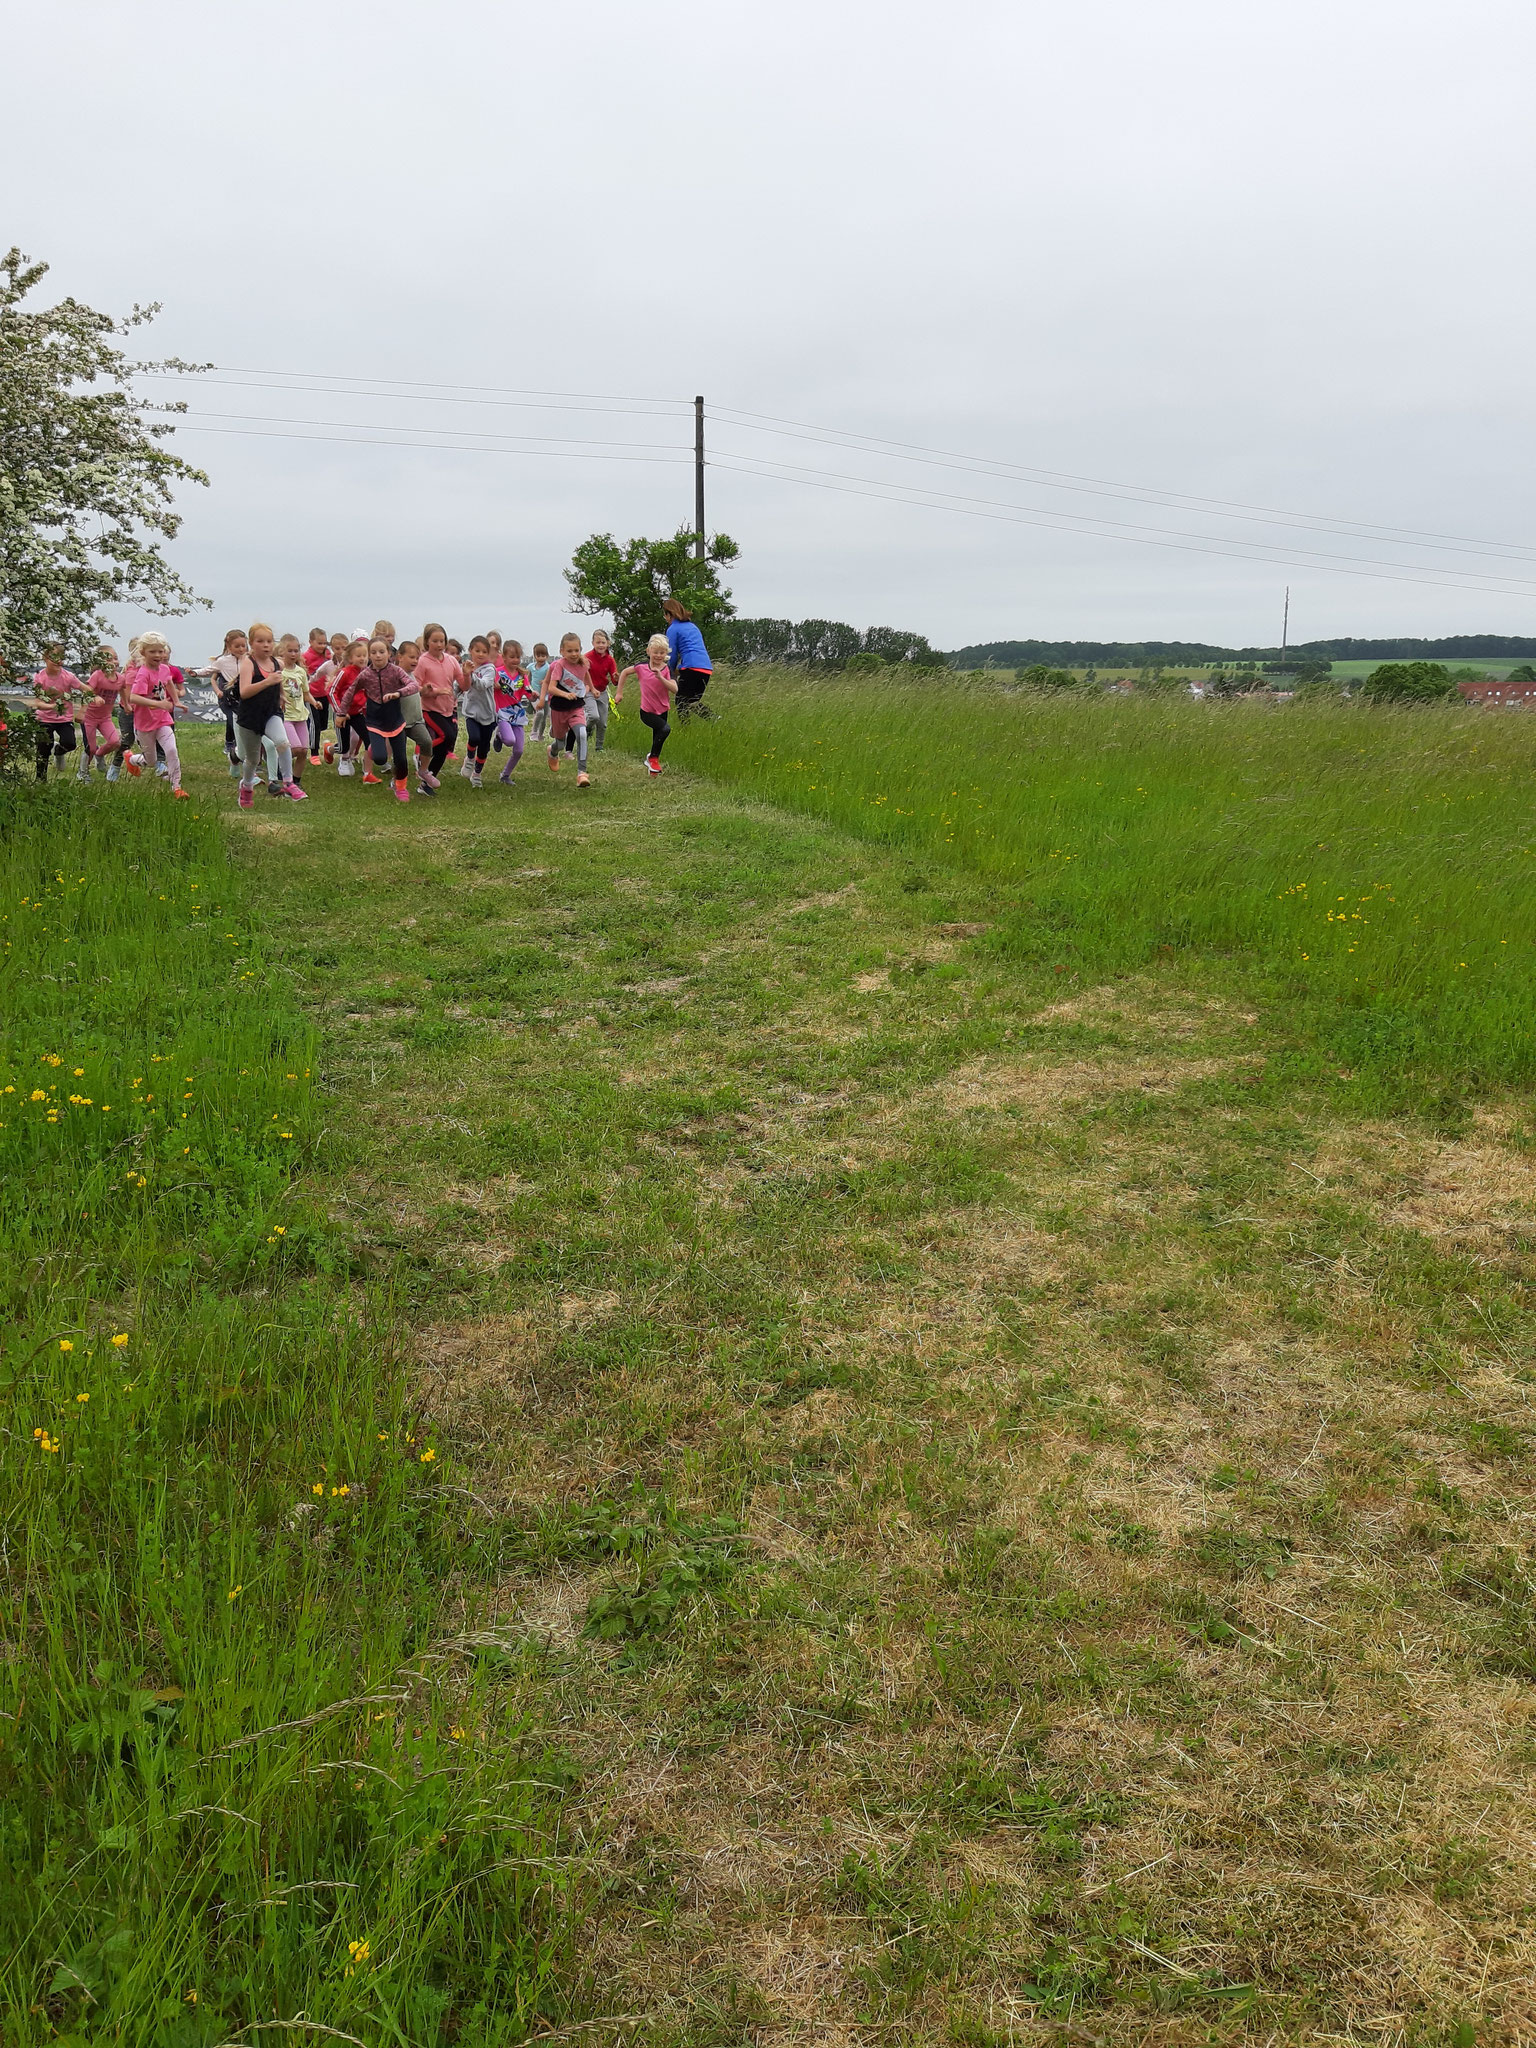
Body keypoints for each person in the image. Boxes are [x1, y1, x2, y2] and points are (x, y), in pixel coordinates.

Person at [234, 622, 303, 807]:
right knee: (253, 759)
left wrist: (281, 695)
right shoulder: (248, 664)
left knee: (283, 743)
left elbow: (278, 681)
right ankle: (247, 787)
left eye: (269, 641)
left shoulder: (277, 663)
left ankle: (289, 783)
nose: (266, 645)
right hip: (250, 718)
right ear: (251, 643)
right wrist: (267, 681)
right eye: (260, 641)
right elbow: (244, 692)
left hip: (271, 713)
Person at [129, 635, 191, 798]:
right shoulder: (143, 674)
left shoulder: (164, 669)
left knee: (171, 750)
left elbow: (169, 682)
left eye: (160, 651)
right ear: (143, 652)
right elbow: (133, 698)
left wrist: (176, 701)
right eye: (153, 652)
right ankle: (132, 759)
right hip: (145, 724)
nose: (158, 655)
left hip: (163, 719)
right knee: (151, 761)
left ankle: (176, 787)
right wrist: (159, 704)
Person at [354, 637, 414, 800]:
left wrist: (398, 693)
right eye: (373, 652)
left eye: (382, 652)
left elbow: (413, 686)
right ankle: (374, 749)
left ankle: (400, 787)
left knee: (401, 759)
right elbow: (350, 692)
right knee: (380, 759)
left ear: (389, 654)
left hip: (396, 721)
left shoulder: (396, 671)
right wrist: (341, 712)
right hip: (375, 722)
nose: (378, 655)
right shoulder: (366, 674)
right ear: (369, 655)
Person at [616, 635, 677, 774]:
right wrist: (619, 693)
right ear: (648, 651)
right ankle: (653, 758)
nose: (658, 656)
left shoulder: (667, 670)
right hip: (646, 711)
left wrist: (661, 678)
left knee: (658, 738)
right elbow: (625, 672)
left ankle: (653, 767)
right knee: (665, 729)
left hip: (662, 710)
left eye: (662, 653)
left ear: (666, 653)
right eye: (655, 652)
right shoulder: (641, 667)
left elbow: (675, 689)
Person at [195, 628, 250, 775]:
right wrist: (194, 673)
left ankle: (238, 757)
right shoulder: (223, 661)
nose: (241, 649)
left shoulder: (250, 659)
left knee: (248, 730)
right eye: (237, 646)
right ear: (229, 646)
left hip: (245, 699)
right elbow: (208, 670)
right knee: (236, 726)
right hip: (229, 700)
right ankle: (236, 753)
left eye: (243, 646)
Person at [541, 632, 591, 787]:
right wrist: (565, 694)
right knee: (560, 743)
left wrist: (589, 690)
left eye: (576, 650)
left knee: (582, 734)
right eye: (570, 651)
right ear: (562, 651)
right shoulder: (559, 666)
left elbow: (587, 682)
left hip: (576, 708)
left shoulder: (583, 665)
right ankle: (553, 751)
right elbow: (551, 688)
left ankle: (582, 773)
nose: (574, 654)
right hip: (558, 709)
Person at [415, 624, 462, 782]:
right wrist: (433, 691)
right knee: (446, 736)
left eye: (442, 641)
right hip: (429, 709)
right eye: (435, 641)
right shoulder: (422, 662)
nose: (439, 644)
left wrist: (468, 675)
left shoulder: (451, 661)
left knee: (444, 747)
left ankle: (427, 781)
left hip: (448, 709)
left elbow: (464, 684)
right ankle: (420, 755)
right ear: (427, 642)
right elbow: (415, 687)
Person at [29, 645, 83, 780]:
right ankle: (40, 780)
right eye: (54, 657)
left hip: (64, 719)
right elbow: (38, 702)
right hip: (44, 719)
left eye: (61, 658)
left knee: (70, 743)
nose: (58, 661)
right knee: (43, 750)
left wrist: (86, 706)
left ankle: (59, 751)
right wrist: (51, 706)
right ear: (45, 658)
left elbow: (86, 689)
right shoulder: (39, 678)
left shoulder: (68, 676)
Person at [393, 640, 439, 792]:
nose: (415, 661)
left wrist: (423, 690)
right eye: (411, 657)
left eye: (417, 658)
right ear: (400, 656)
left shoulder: (411, 675)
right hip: (400, 723)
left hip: (416, 720)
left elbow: (413, 689)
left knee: (426, 742)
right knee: (400, 756)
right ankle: (396, 781)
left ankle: (423, 771)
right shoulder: (395, 675)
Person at [460, 636, 500, 786]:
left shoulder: (490, 669)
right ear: (471, 651)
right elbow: (461, 685)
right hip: (471, 712)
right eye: (477, 650)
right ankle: (470, 757)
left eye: (484, 651)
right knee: (474, 738)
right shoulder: (465, 667)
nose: (481, 654)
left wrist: (471, 675)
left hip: (488, 715)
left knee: (484, 748)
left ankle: (477, 774)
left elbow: (483, 685)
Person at [277, 635, 315, 790]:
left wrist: (314, 702)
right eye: (290, 651)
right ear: (282, 652)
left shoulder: (300, 672)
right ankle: (281, 766)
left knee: (303, 751)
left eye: (296, 650)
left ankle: (296, 781)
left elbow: (305, 692)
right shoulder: (280, 671)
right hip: (286, 716)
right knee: (295, 748)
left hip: (300, 715)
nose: (293, 654)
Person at [80, 647, 125, 779]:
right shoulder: (97, 675)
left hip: (105, 718)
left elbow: (123, 689)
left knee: (115, 742)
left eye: (115, 658)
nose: (114, 662)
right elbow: (87, 690)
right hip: (89, 717)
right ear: (101, 662)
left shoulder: (120, 678)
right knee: (91, 748)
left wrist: (126, 704)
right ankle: (83, 773)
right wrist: (95, 697)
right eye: (109, 659)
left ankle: (99, 755)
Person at [494, 640, 536, 785]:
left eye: (518, 657)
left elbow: (528, 693)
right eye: (512, 657)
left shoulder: (522, 676)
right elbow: (492, 687)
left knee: (518, 750)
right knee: (510, 740)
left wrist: (534, 696)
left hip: (517, 714)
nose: (515, 660)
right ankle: (499, 735)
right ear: (504, 657)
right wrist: (495, 686)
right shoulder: (498, 673)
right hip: (502, 713)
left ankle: (505, 775)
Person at [662, 598, 713, 715]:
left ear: (669, 614)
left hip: (691, 667)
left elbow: (672, 654)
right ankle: (716, 720)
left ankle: (684, 730)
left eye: (665, 615)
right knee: (692, 702)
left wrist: (670, 674)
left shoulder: (673, 629)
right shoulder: (692, 626)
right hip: (706, 668)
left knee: (681, 702)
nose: (665, 618)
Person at [585, 629, 618, 751]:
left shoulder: (610, 660)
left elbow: (614, 681)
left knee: (602, 723)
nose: (600, 645)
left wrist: (616, 678)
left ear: (608, 643)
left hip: (602, 691)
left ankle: (599, 747)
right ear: (593, 643)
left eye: (603, 642)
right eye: (598, 642)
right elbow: (581, 675)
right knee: (593, 716)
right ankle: (587, 729)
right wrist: (589, 689)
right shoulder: (587, 658)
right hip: (589, 691)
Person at [528, 643, 552, 739]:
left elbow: (550, 680)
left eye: (543, 656)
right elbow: (527, 679)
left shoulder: (548, 667)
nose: (541, 658)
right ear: (535, 656)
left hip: (545, 695)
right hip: (534, 695)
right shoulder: (531, 667)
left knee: (545, 716)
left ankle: (540, 735)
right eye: (538, 656)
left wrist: (546, 682)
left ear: (547, 656)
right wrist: (529, 689)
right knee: (540, 713)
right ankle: (534, 732)